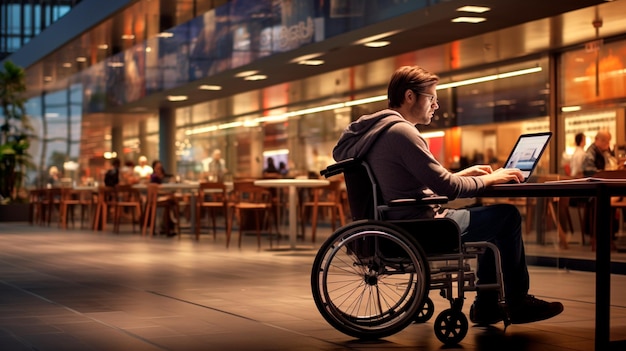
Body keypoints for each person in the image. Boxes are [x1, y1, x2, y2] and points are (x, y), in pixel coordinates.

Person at [332, 65, 563, 326]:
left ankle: (487, 306)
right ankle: (516, 302)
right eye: (431, 98)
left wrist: (466, 174)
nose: (436, 105)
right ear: (410, 96)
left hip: (401, 220)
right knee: (507, 217)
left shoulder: (379, 132)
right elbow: (447, 188)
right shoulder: (402, 132)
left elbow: (424, 183)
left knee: (494, 220)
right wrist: (490, 177)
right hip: (423, 225)